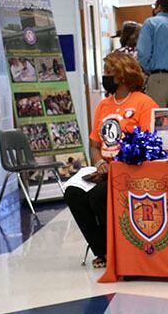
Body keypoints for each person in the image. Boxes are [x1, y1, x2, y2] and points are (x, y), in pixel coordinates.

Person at [66, 52, 157, 269]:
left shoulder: (144, 104)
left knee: (99, 195)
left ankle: (117, 250)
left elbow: (149, 147)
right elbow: (95, 145)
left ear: (123, 76)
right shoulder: (103, 105)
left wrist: (115, 168)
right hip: (104, 170)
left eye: (109, 73)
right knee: (74, 193)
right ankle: (102, 249)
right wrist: (100, 165)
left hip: (130, 171)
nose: (105, 77)